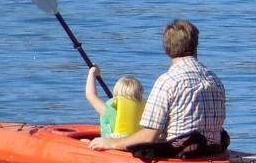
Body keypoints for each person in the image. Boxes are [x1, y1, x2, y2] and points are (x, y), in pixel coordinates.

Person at [90, 19, 227, 152]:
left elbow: (149, 136)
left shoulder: (168, 81)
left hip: (180, 154)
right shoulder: (214, 79)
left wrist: (113, 143)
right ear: (195, 45)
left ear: (166, 48)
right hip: (213, 151)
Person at [85, 66, 144, 139]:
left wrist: (92, 72)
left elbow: (90, 95)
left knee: (84, 140)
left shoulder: (109, 111)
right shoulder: (145, 111)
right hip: (135, 145)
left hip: (112, 145)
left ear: (115, 93)